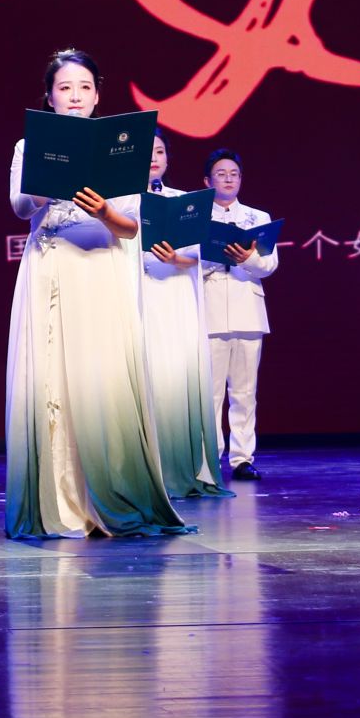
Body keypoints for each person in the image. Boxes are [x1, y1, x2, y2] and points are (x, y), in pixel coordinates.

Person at [6, 48, 189, 538]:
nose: (75, 96)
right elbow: (20, 206)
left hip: (101, 269)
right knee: (53, 378)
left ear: (97, 95)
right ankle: (57, 498)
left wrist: (105, 211)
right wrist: (49, 183)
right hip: (52, 266)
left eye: (84, 87)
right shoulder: (30, 144)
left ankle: (108, 491)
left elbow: (131, 227)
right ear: (49, 97)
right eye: (64, 88)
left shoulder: (120, 147)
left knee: (99, 379)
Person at [139, 132, 231, 500]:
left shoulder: (185, 201)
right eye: (147, 152)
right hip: (139, 290)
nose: (154, 158)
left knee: (178, 375)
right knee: (146, 374)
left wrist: (178, 259)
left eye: (160, 151)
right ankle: (146, 467)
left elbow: (204, 253)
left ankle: (184, 465)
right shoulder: (122, 202)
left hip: (177, 292)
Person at [201, 147, 280, 482]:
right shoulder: (198, 217)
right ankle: (209, 459)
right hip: (210, 311)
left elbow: (269, 264)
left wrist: (247, 258)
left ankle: (242, 458)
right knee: (211, 393)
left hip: (248, 311)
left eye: (234, 174)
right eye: (221, 174)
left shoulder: (257, 217)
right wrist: (216, 258)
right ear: (207, 181)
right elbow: (186, 262)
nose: (228, 179)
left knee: (245, 392)